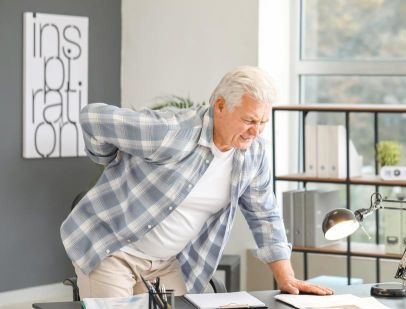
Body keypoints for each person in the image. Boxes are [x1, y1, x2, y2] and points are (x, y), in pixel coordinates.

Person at [60, 66, 333, 298]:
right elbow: (92, 118)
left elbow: (264, 214)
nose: (256, 131)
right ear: (221, 106)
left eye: (263, 121)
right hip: (112, 250)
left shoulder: (254, 153)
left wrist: (286, 278)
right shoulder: (172, 132)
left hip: (165, 263)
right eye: (249, 120)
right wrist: (111, 160)